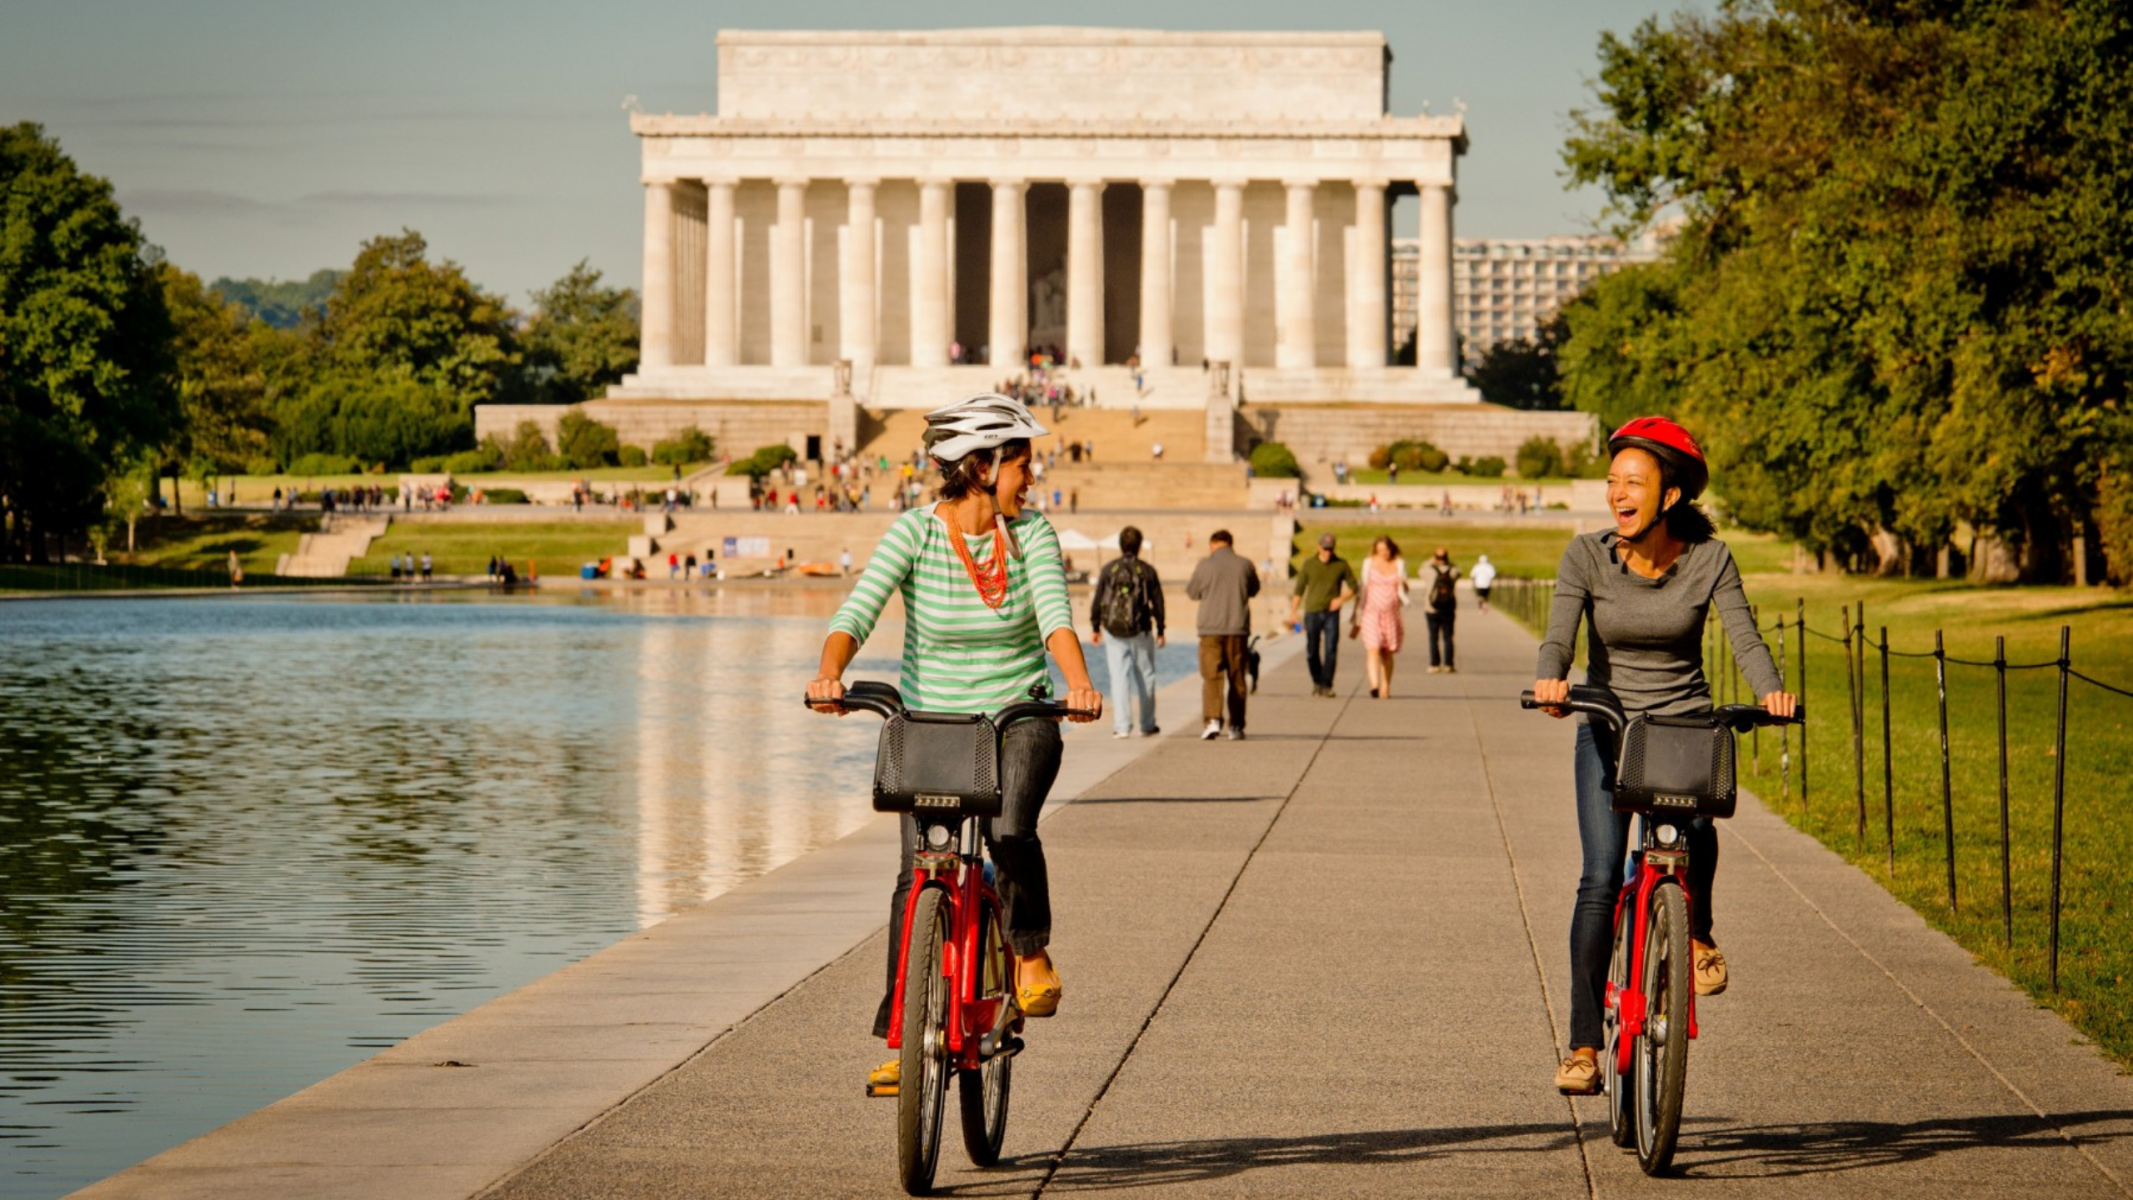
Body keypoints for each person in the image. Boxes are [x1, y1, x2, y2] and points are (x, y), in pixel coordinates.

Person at [806, 392, 1101, 1095]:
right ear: (980, 466)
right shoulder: (913, 534)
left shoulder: (1032, 536)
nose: (1031, 478)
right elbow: (858, 608)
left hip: (1018, 714)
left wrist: (1079, 686)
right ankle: (905, 1040)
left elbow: (1056, 619)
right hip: (934, 726)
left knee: (1010, 830)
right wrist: (829, 673)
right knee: (917, 876)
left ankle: (1028, 952)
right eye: (1021, 464)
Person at [1532, 416, 1796, 1096]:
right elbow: (1557, 637)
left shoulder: (1709, 559)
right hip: (1608, 726)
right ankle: (1584, 1045)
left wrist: (1769, 693)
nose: (1617, 494)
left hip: (1682, 727)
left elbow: (1743, 635)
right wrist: (1552, 680)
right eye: (1612, 481)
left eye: (1634, 482)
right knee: (1597, 878)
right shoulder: (1584, 556)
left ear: (1669, 496)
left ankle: (1697, 934)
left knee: (1697, 834)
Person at [1090, 525, 1165, 739]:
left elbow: (1098, 601)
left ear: (1120, 545)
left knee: (1119, 678)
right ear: (1140, 546)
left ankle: (1122, 727)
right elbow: (1158, 602)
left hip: (1114, 631)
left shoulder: (1109, 569)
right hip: (1141, 630)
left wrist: (1095, 626)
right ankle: (1147, 724)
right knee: (1146, 676)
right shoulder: (1147, 570)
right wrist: (1161, 628)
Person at [1186, 529, 1259, 739]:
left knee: (1212, 676)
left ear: (1212, 544)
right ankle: (1236, 725)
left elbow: (1192, 592)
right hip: (1237, 628)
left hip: (1210, 630)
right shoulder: (1245, 564)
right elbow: (1253, 589)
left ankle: (1212, 720)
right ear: (1230, 544)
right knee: (1237, 677)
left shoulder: (1204, 565)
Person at [1288, 533, 1356, 698]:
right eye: (1325, 548)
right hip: (1312, 612)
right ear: (1319, 547)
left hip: (1331, 613)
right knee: (1312, 650)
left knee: (1331, 649)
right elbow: (1299, 590)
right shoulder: (1309, 565)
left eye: (1330, 549)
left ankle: (1327, 684)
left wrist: (1340, 600)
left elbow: (1354, 586)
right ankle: (1317, 681)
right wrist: (1293, 612)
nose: (1327, 552)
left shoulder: (1341, 565)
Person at [1352, 536, 1409, 699]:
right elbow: (1362, 586)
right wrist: (1356, 611)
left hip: (1391, 614)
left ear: (1392, 548)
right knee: (1373, 647)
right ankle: (1374, 685)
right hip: (1371, 612)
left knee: (1387, 651)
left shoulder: (1399, 563)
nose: (1383, 553)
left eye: (1385, 550)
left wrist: (1403, 583)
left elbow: (1404, 588)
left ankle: (1386, 686)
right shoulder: (1369, 563)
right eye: (1379, 551)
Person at [1423, 547, 1460, 673]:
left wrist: (1431, 560)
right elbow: (1459, 572)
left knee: (1433, 637)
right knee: (1448, 637)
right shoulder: (1453, 570)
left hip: (1431, 608)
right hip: (1448, 608)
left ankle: (1435, 664)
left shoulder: (1428, 569)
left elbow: (1420, 571)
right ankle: (1448, 664)